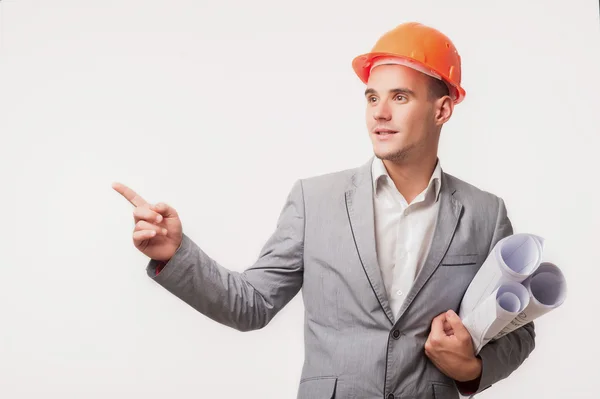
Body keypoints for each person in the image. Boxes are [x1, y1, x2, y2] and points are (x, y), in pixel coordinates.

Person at [113, 22, 535, 399]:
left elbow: (518, 327)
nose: (379, 113)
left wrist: (472, 369)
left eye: (400, 97)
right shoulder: (314, 201)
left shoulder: (484, 214)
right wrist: (176, 253)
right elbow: (252, 304)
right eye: (372, 97)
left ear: (442, 109)